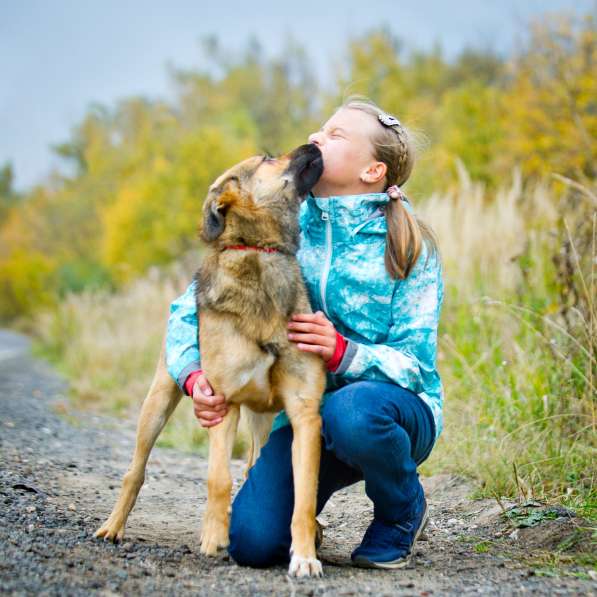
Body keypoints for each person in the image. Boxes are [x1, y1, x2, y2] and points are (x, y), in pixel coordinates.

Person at [165, 95, 444, 569]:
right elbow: (187, 310)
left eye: (336, 136)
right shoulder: (278, 222)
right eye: (320, 128)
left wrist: (343, 352)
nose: (316, 138)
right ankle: (303, 514)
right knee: (253, 544)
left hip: (389, 415)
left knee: (352, 411)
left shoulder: (407, 245)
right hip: (303, 421)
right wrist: (194, 377)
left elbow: (415, 368)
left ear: (373, 171)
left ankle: (401, 509)